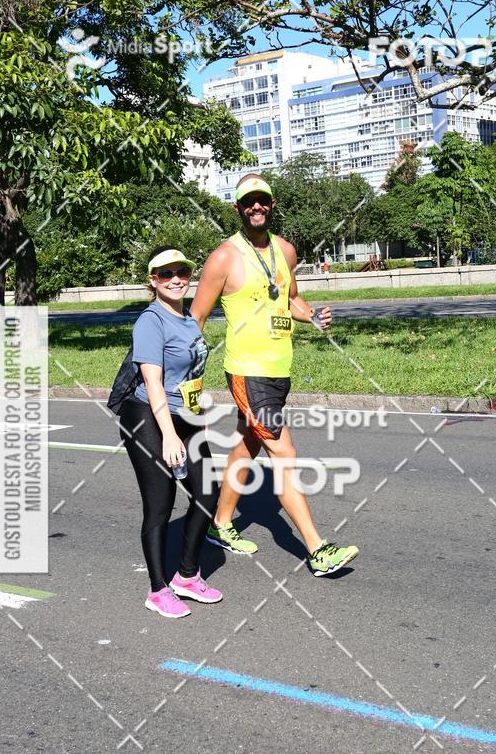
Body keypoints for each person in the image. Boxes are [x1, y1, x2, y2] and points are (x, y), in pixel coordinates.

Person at [191, 174, 359, 577]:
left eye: (261, 200)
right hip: (247, 373)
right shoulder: (223, 258)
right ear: (237, 208)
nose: (256, 207)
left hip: (279, 369)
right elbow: (194, 319)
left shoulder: (285, 250)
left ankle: (219, 523)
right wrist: (185, 377)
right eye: (248, 202)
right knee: (284, 455)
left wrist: (313, 316)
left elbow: (291, 297)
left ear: (271, 203)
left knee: (247, 445)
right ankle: (317, 551)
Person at [119, 245, 222, 617]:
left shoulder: (189, 320)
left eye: (181, 272)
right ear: (153, 280)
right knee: (160, 503)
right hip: (145, 414)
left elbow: (191, 374)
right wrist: (170, 434)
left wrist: (197, 416)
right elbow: (154, 380)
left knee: (209, 490)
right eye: (166, 273)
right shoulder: (150, 321)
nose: (176, 279)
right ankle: (158, 589)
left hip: (183, 414)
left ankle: (187, 577)